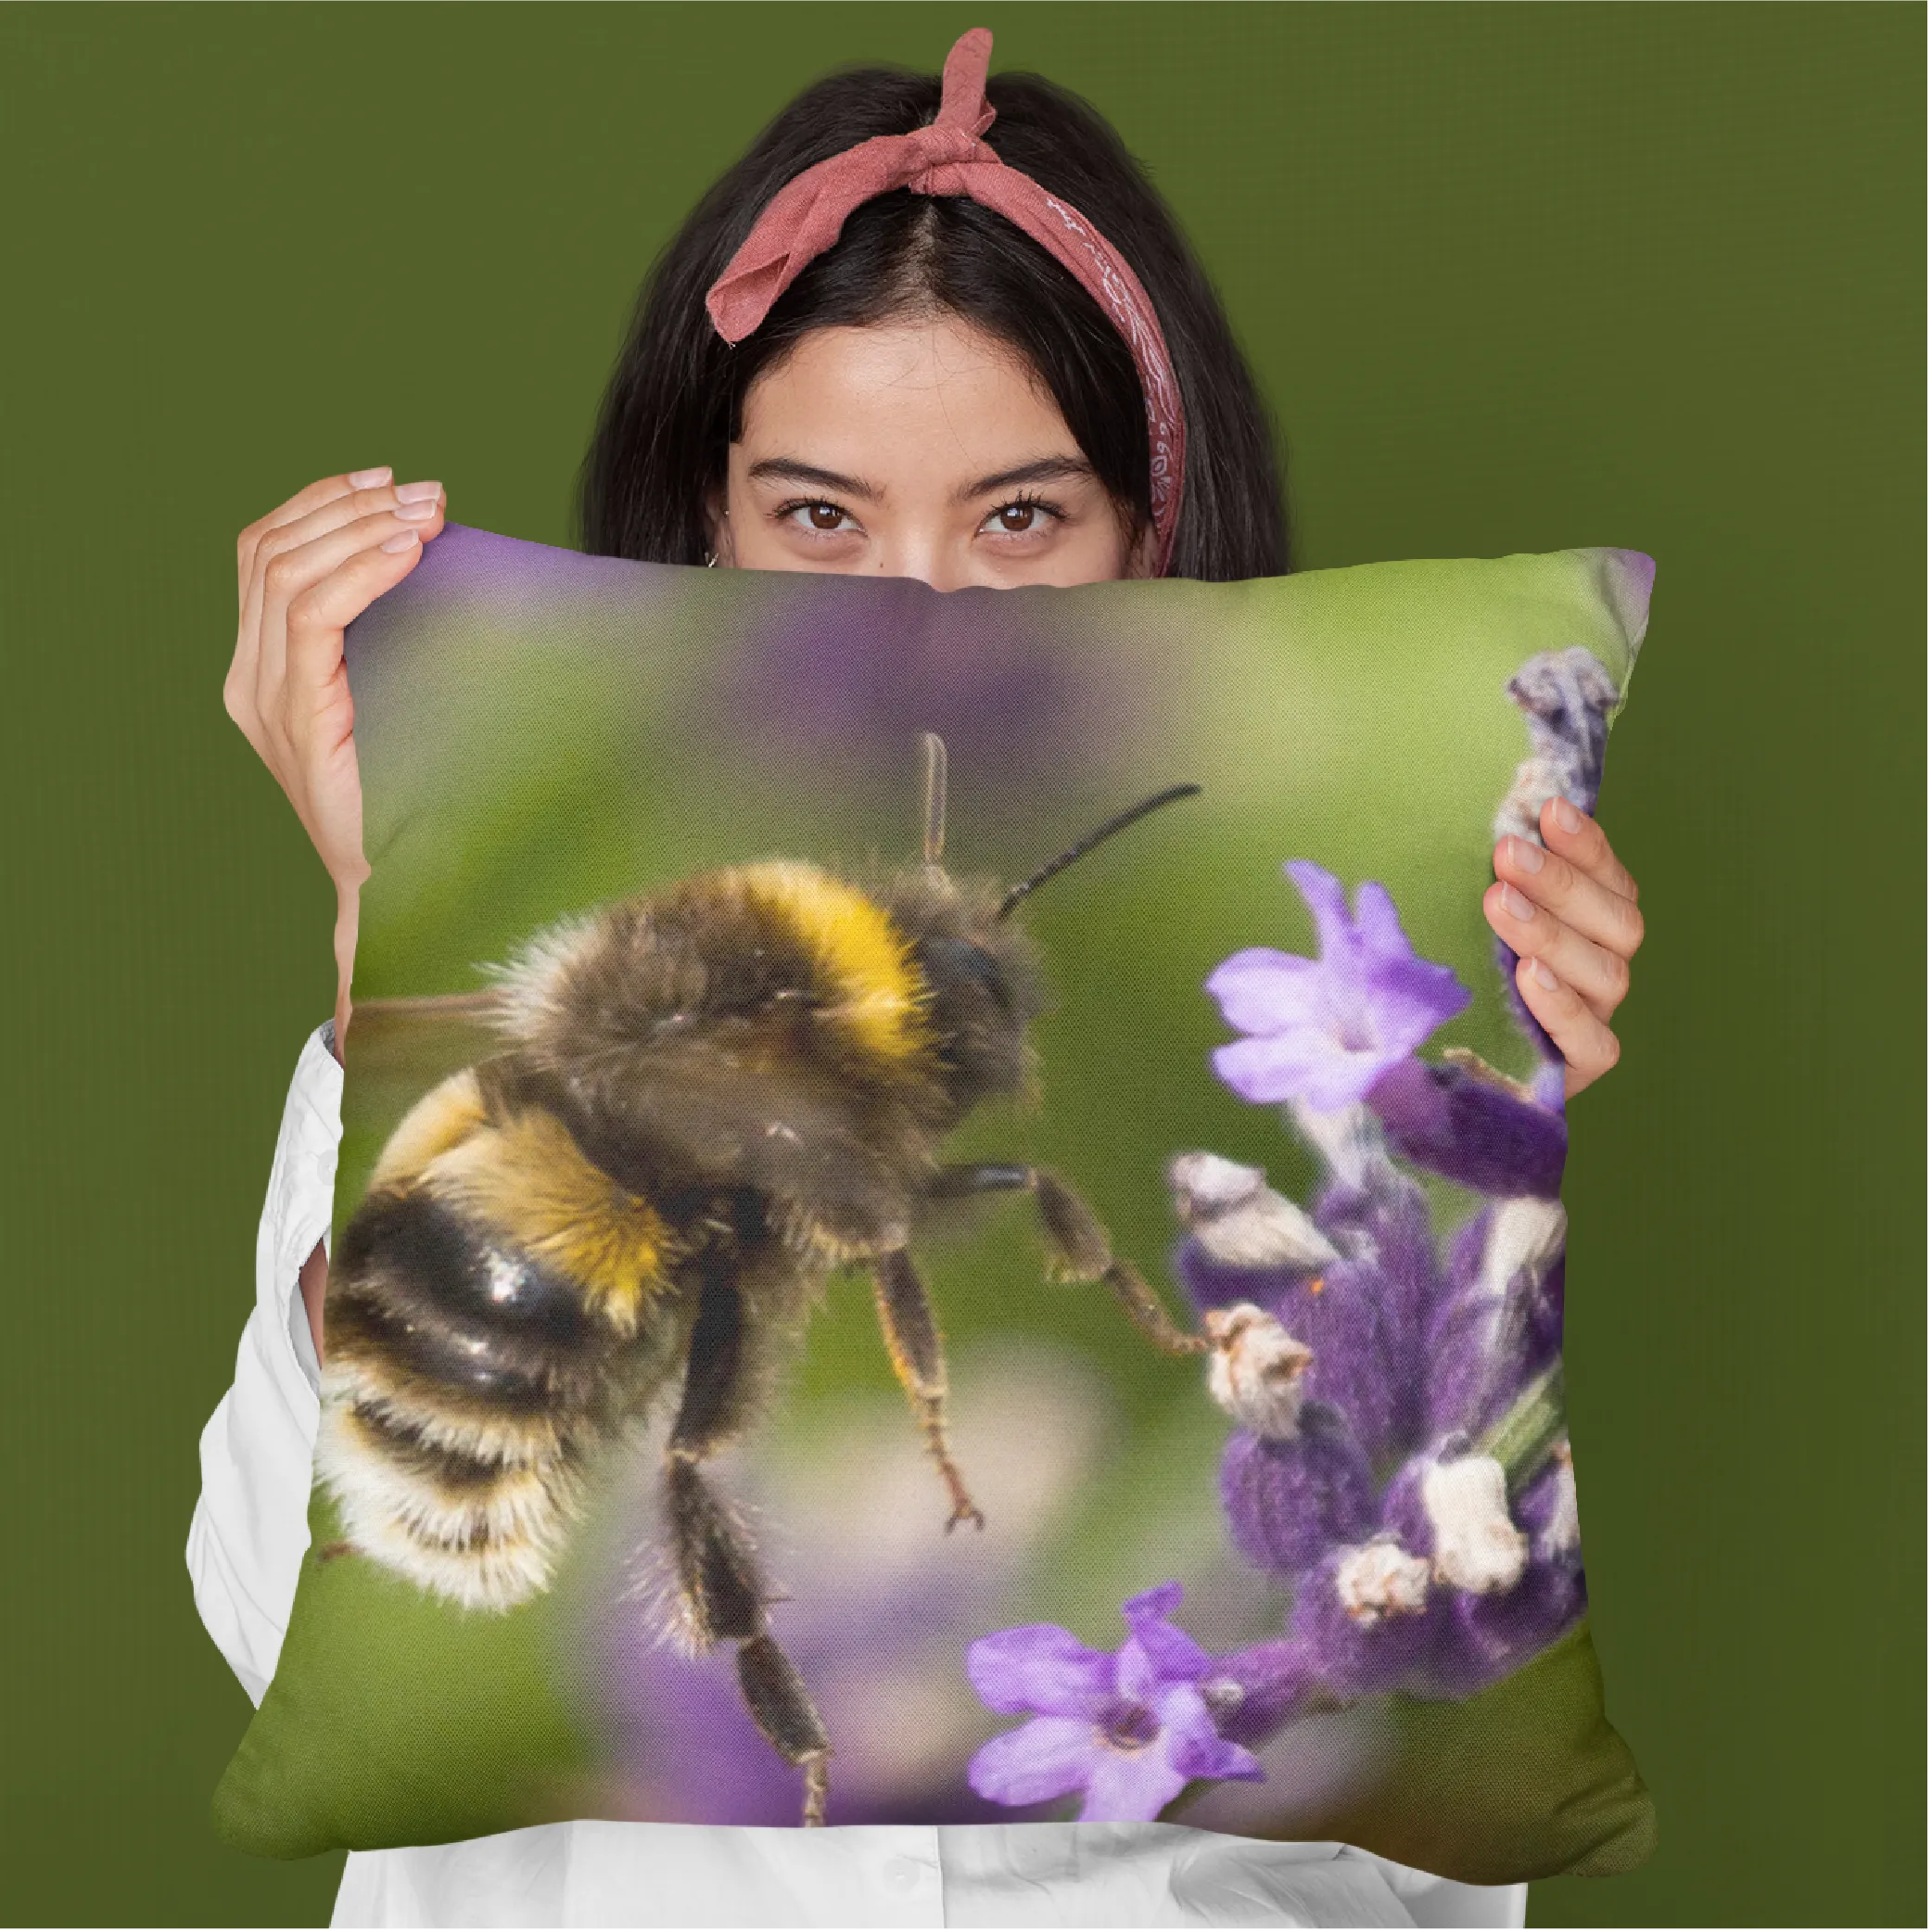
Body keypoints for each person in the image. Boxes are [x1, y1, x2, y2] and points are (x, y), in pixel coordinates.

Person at [192, 28, 1645, 1932]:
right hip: (518, 1379)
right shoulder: (688, 957)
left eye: (1021, 518)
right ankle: (785, 1711)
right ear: (697, 535)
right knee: (708, 1443)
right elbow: (243, 1614)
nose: (917, 595)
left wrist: (1555, 1134)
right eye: (817, 518)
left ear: (1158, 539)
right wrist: (342, 930)